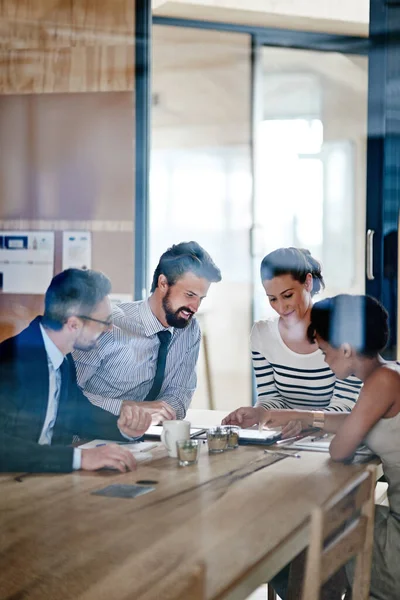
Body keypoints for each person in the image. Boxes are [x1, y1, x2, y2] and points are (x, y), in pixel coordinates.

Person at [261, 294, 400, 600]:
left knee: (311, 527)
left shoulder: (381, 383)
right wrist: (298, 417)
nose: (324, 360)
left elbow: (340, 450)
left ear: (347, 349)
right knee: (327, 524)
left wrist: (315, 424)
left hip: (397, 549)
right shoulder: (390, 371)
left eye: (324, 351)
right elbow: (356, 420)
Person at [0, 269, 151, 474]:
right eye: (104, 322)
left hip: (44, 481)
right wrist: (79, 458)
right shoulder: (10, 360)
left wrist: (124, 429)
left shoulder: (62, 358)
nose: (109, 329)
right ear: (73, 324)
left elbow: (80, 412)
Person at [74, 241, 222, 422]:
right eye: (189, 295)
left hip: (145, 438)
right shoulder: (108, 324)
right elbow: (68, 394)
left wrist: (161, 413)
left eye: (201, 298)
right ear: (163, 283)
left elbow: (179, 394)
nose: (195, 307)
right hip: (88, 434)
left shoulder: (189, 331)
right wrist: (133, 409)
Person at [223, 247, 362, 437]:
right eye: (272, 299)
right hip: (288, 438)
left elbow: (345, 407)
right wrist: (259, 413)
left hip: (337, 439)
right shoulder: (262, 335)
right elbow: (271, 398)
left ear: (308, 282)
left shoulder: (343, 333)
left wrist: (305, 421)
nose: (281, 307)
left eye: (288, 295)